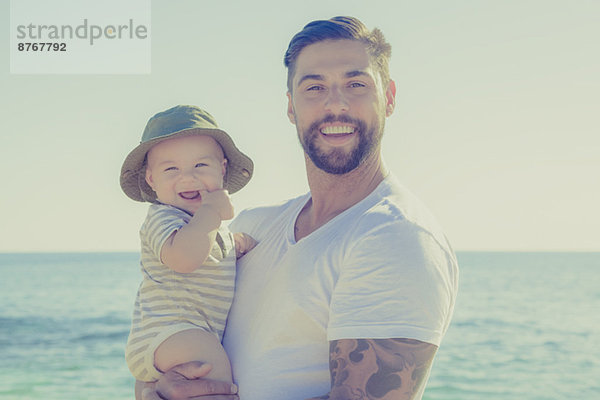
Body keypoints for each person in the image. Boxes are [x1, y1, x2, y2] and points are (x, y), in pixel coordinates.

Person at [141, 16, 459, 400]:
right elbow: (173, 330)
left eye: (356, 85)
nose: (335, 104)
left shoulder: (396, 237)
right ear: (290, 107)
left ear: (388, 97)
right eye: (314, 87)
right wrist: (154, 391)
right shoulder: (252, 227)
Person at [120, 105, 256, 386]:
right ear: (151, 179)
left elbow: (210, 246)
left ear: (222, 169)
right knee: (212, 370)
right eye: (171, 169)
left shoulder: (211, 228)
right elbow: (184, 257)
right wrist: (211, 212)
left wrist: (236, 243)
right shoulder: (162, 217)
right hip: (167, 334)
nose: (188, 177)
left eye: (200, 166)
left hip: (188, 334)